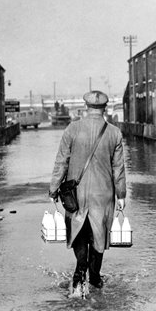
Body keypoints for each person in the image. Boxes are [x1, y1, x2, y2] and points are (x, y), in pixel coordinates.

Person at [49, 90, 126, 298]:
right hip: (104, 195)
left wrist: (54, 188)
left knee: (79, 231)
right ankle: (95, 277)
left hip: (76, 194)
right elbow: (118, 169)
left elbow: (61, 161)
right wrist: (121, 195)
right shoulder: (114, 133)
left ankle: (79, 272)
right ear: (105, 109)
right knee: (99, 234)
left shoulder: (72, 129)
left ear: (86, 107)